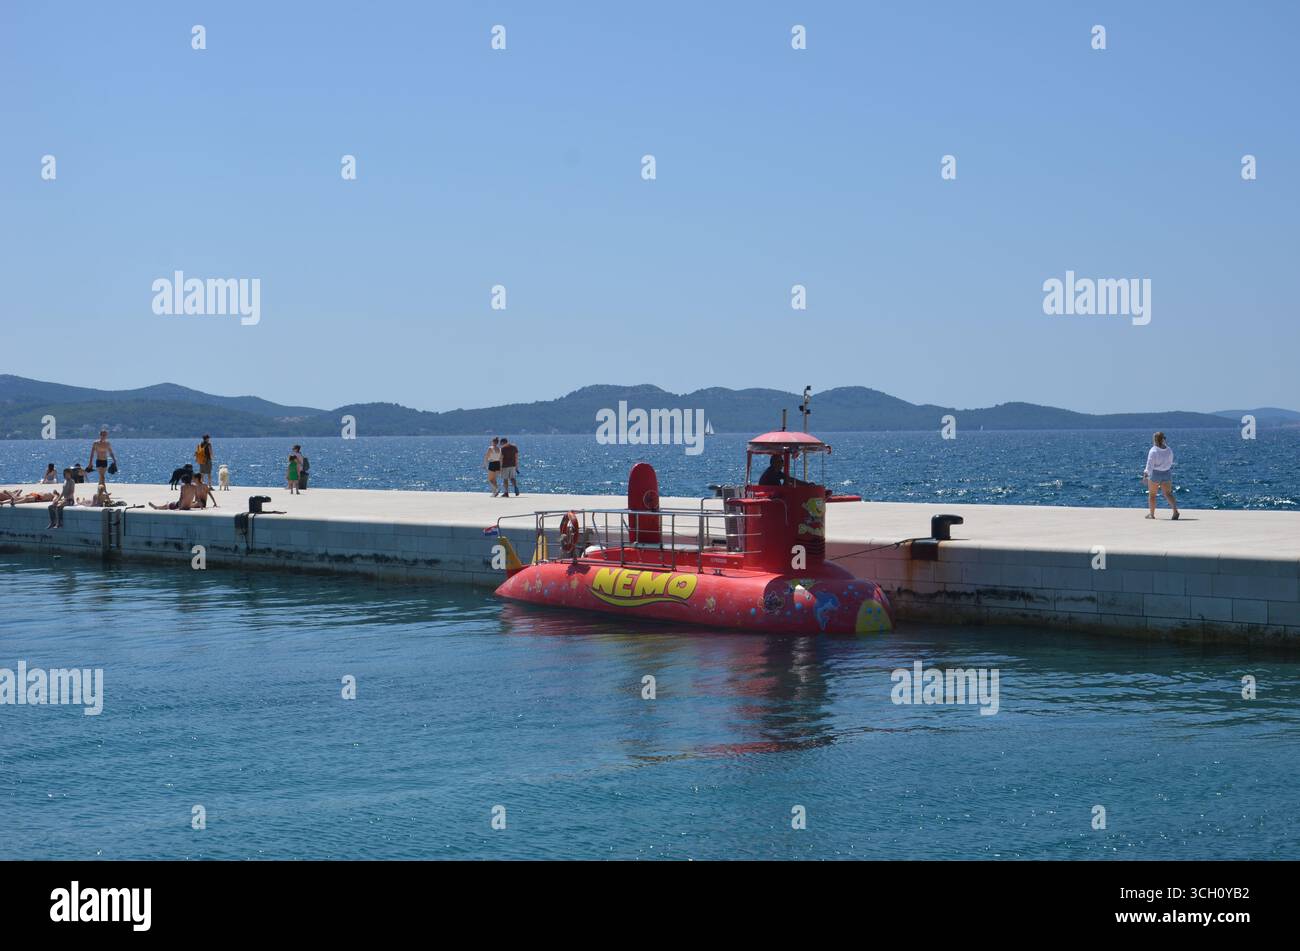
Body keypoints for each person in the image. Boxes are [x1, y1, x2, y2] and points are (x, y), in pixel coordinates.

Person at [1142, 431, 1180, 520]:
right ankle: (1175, 511)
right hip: (1166, 473)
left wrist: (1145, 476)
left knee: (1152, 495)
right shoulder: (1169, 450)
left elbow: (1149, 465)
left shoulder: (1153, 451)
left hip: (1155, 474)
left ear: (1154, 439)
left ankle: (1152, 514)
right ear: (1163, 439)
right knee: (1168, 494)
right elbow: (1170, 462)